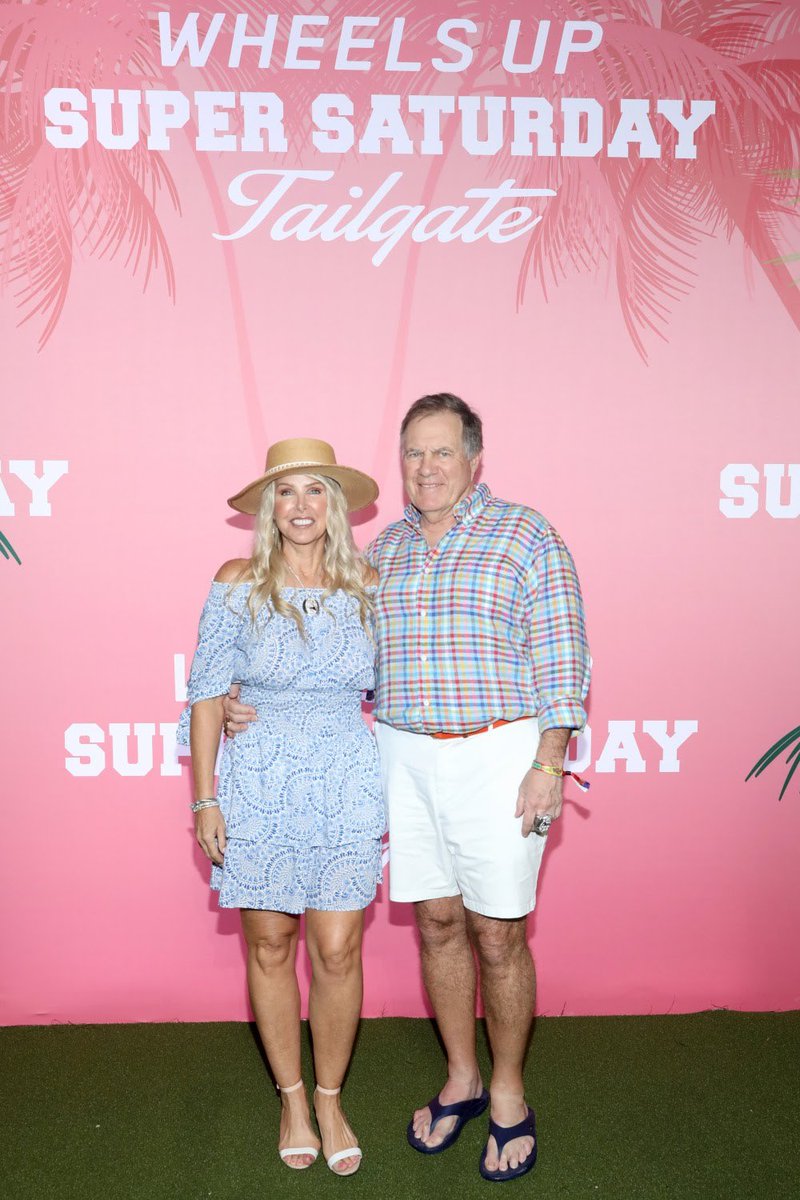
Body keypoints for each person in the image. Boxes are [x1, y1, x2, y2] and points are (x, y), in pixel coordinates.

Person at [225, 395, 590, 1182]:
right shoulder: (378, 553)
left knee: (499, 933)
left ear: (475, 459)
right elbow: (321, 656)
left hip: (502, 753)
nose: (426, 468)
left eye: (442, 452)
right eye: (414, 454)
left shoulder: (526, 534)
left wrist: (549, 761)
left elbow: (563, 656)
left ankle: (508, 1093)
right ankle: (461, 1078)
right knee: (436, 924)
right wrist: (237, 696)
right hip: (400, 754)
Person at [179, 437, 384, 1177]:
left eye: (315, 490)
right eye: (287, 493)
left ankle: (330, 1099)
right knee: (269, 946)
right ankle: (292, 1100)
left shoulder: (370, 584)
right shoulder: (236, 581)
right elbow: (207, 692)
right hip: (259, 780)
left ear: (336, 505)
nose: (301, 506)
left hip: (345, 778)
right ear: (270, 508)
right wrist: (205, 799)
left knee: (338, 949)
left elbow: (400, 683)